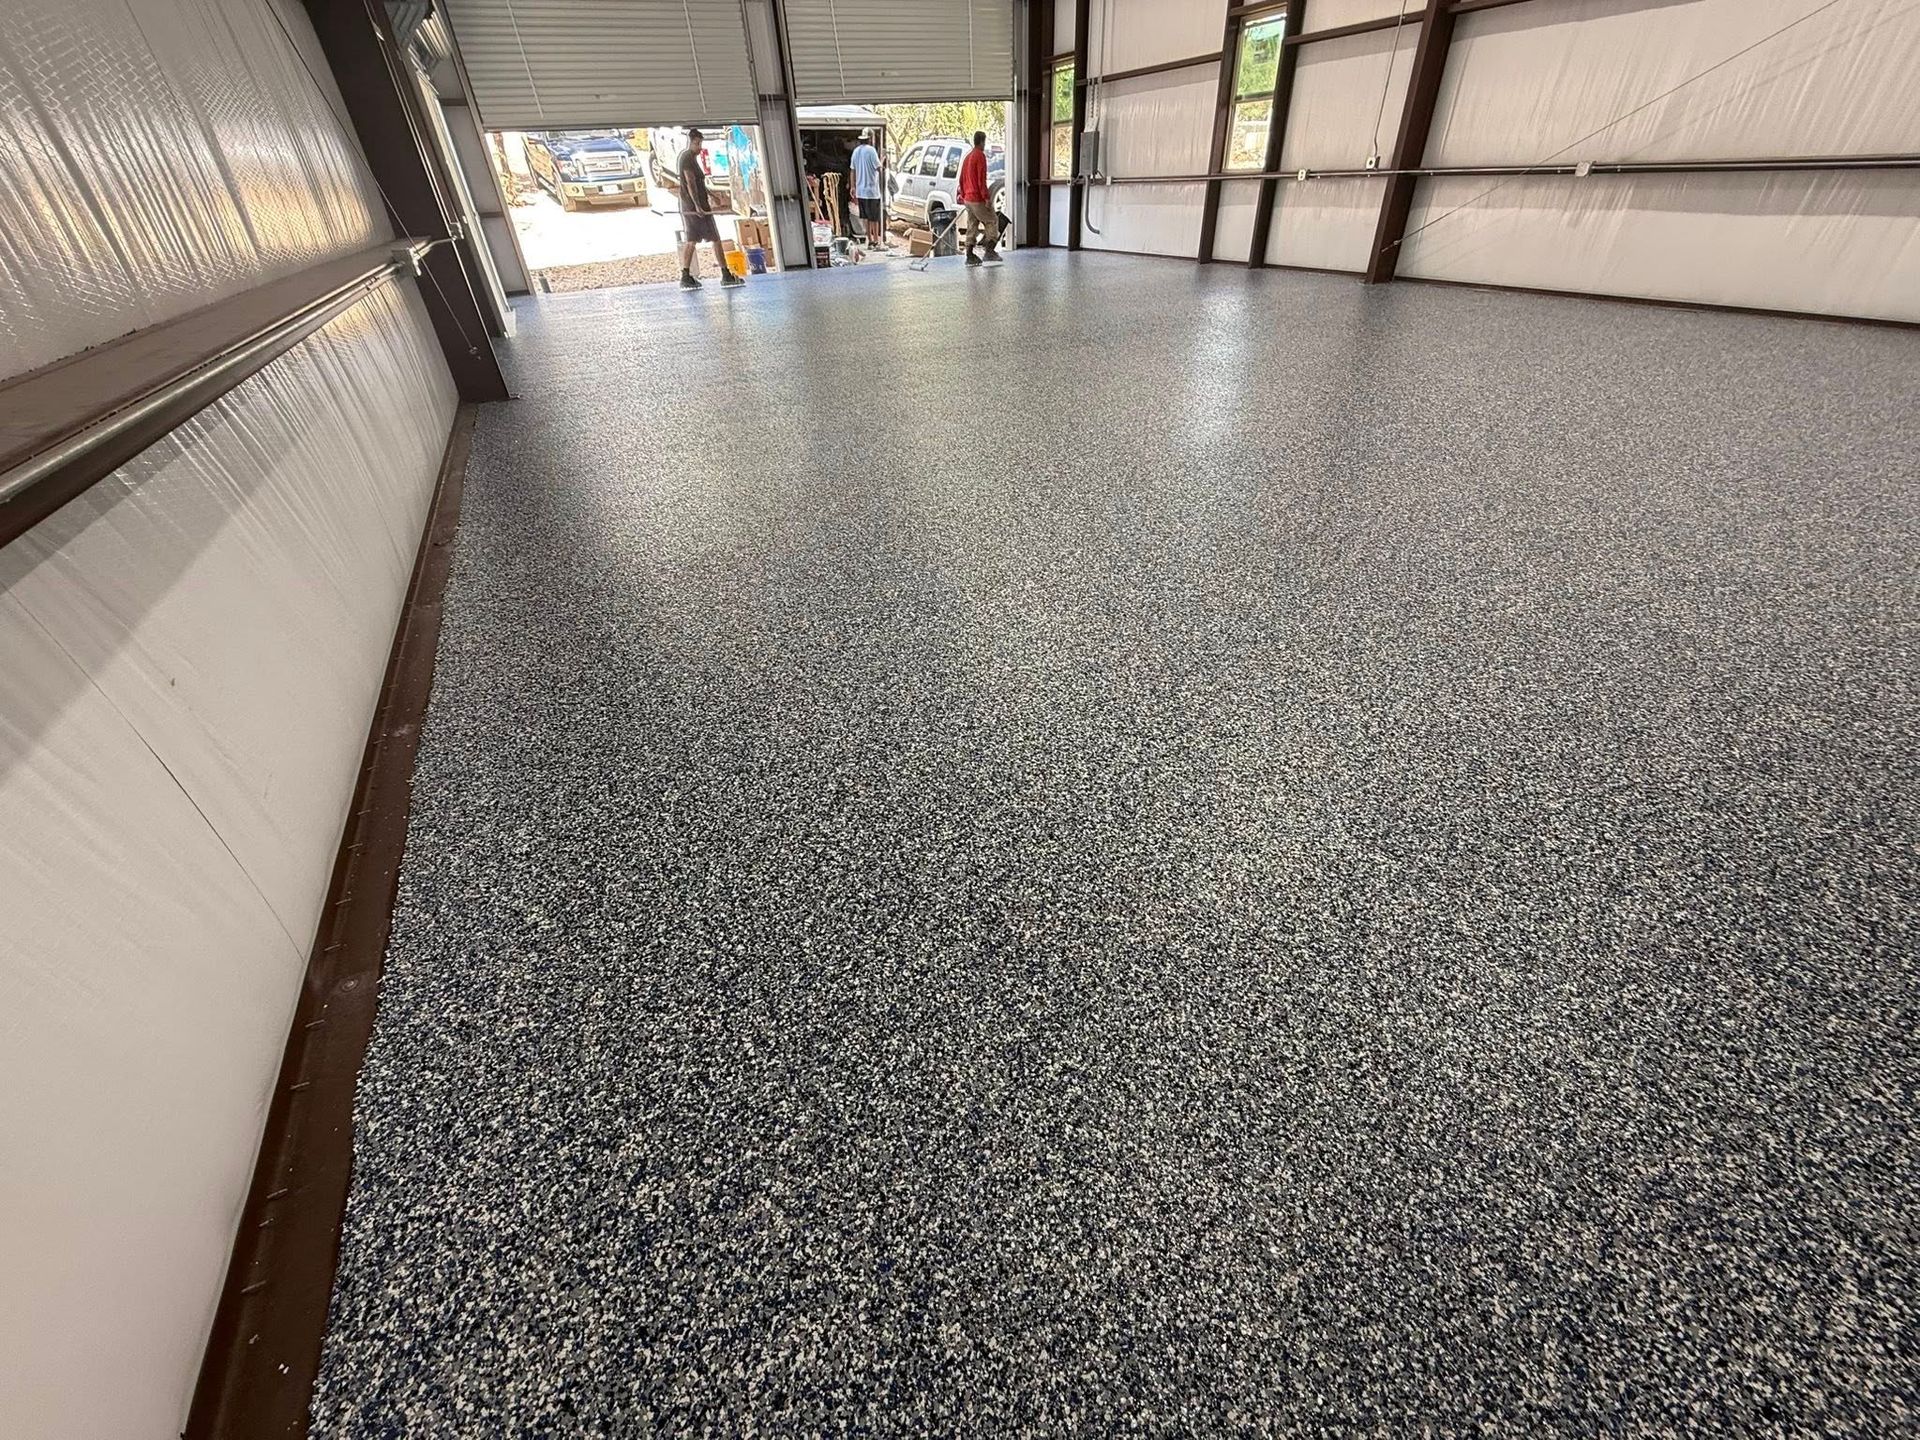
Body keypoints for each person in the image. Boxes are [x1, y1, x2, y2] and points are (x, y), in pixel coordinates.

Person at [677, 128, 741, 290]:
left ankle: (725, 273)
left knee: (714, 238)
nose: (699, 147)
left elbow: (699, 183)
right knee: (692, 239)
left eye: (700, 143)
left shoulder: (692, 158)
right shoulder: (686, 158)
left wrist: (712, 195)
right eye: (697, 143)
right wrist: (697, 206)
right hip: (692, 206)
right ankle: (686, 275)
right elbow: (690, 183)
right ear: (690, 142)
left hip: (701, 204)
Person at [957, 131, 1000, 266]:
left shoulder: (968, 156)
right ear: (982, 141)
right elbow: (981, 179)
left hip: (968, 199)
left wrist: (963, 195)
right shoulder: (979, 156)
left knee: (972, 224)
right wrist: (986, 198)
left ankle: (969, 254)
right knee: (992, 220)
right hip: (977, 198)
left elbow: (962, 178)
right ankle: (990, 251)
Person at [848, 129, 883, 249]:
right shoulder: (872, 151)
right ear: (870, 139)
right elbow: (879, 168)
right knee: (875, 218)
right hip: (872, 191)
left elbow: (852, 170)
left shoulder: (856, 151)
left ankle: (869, 239)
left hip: (861, 191)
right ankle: (876, 241)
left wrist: (853, 186)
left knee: (866, 217)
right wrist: (883, 161)